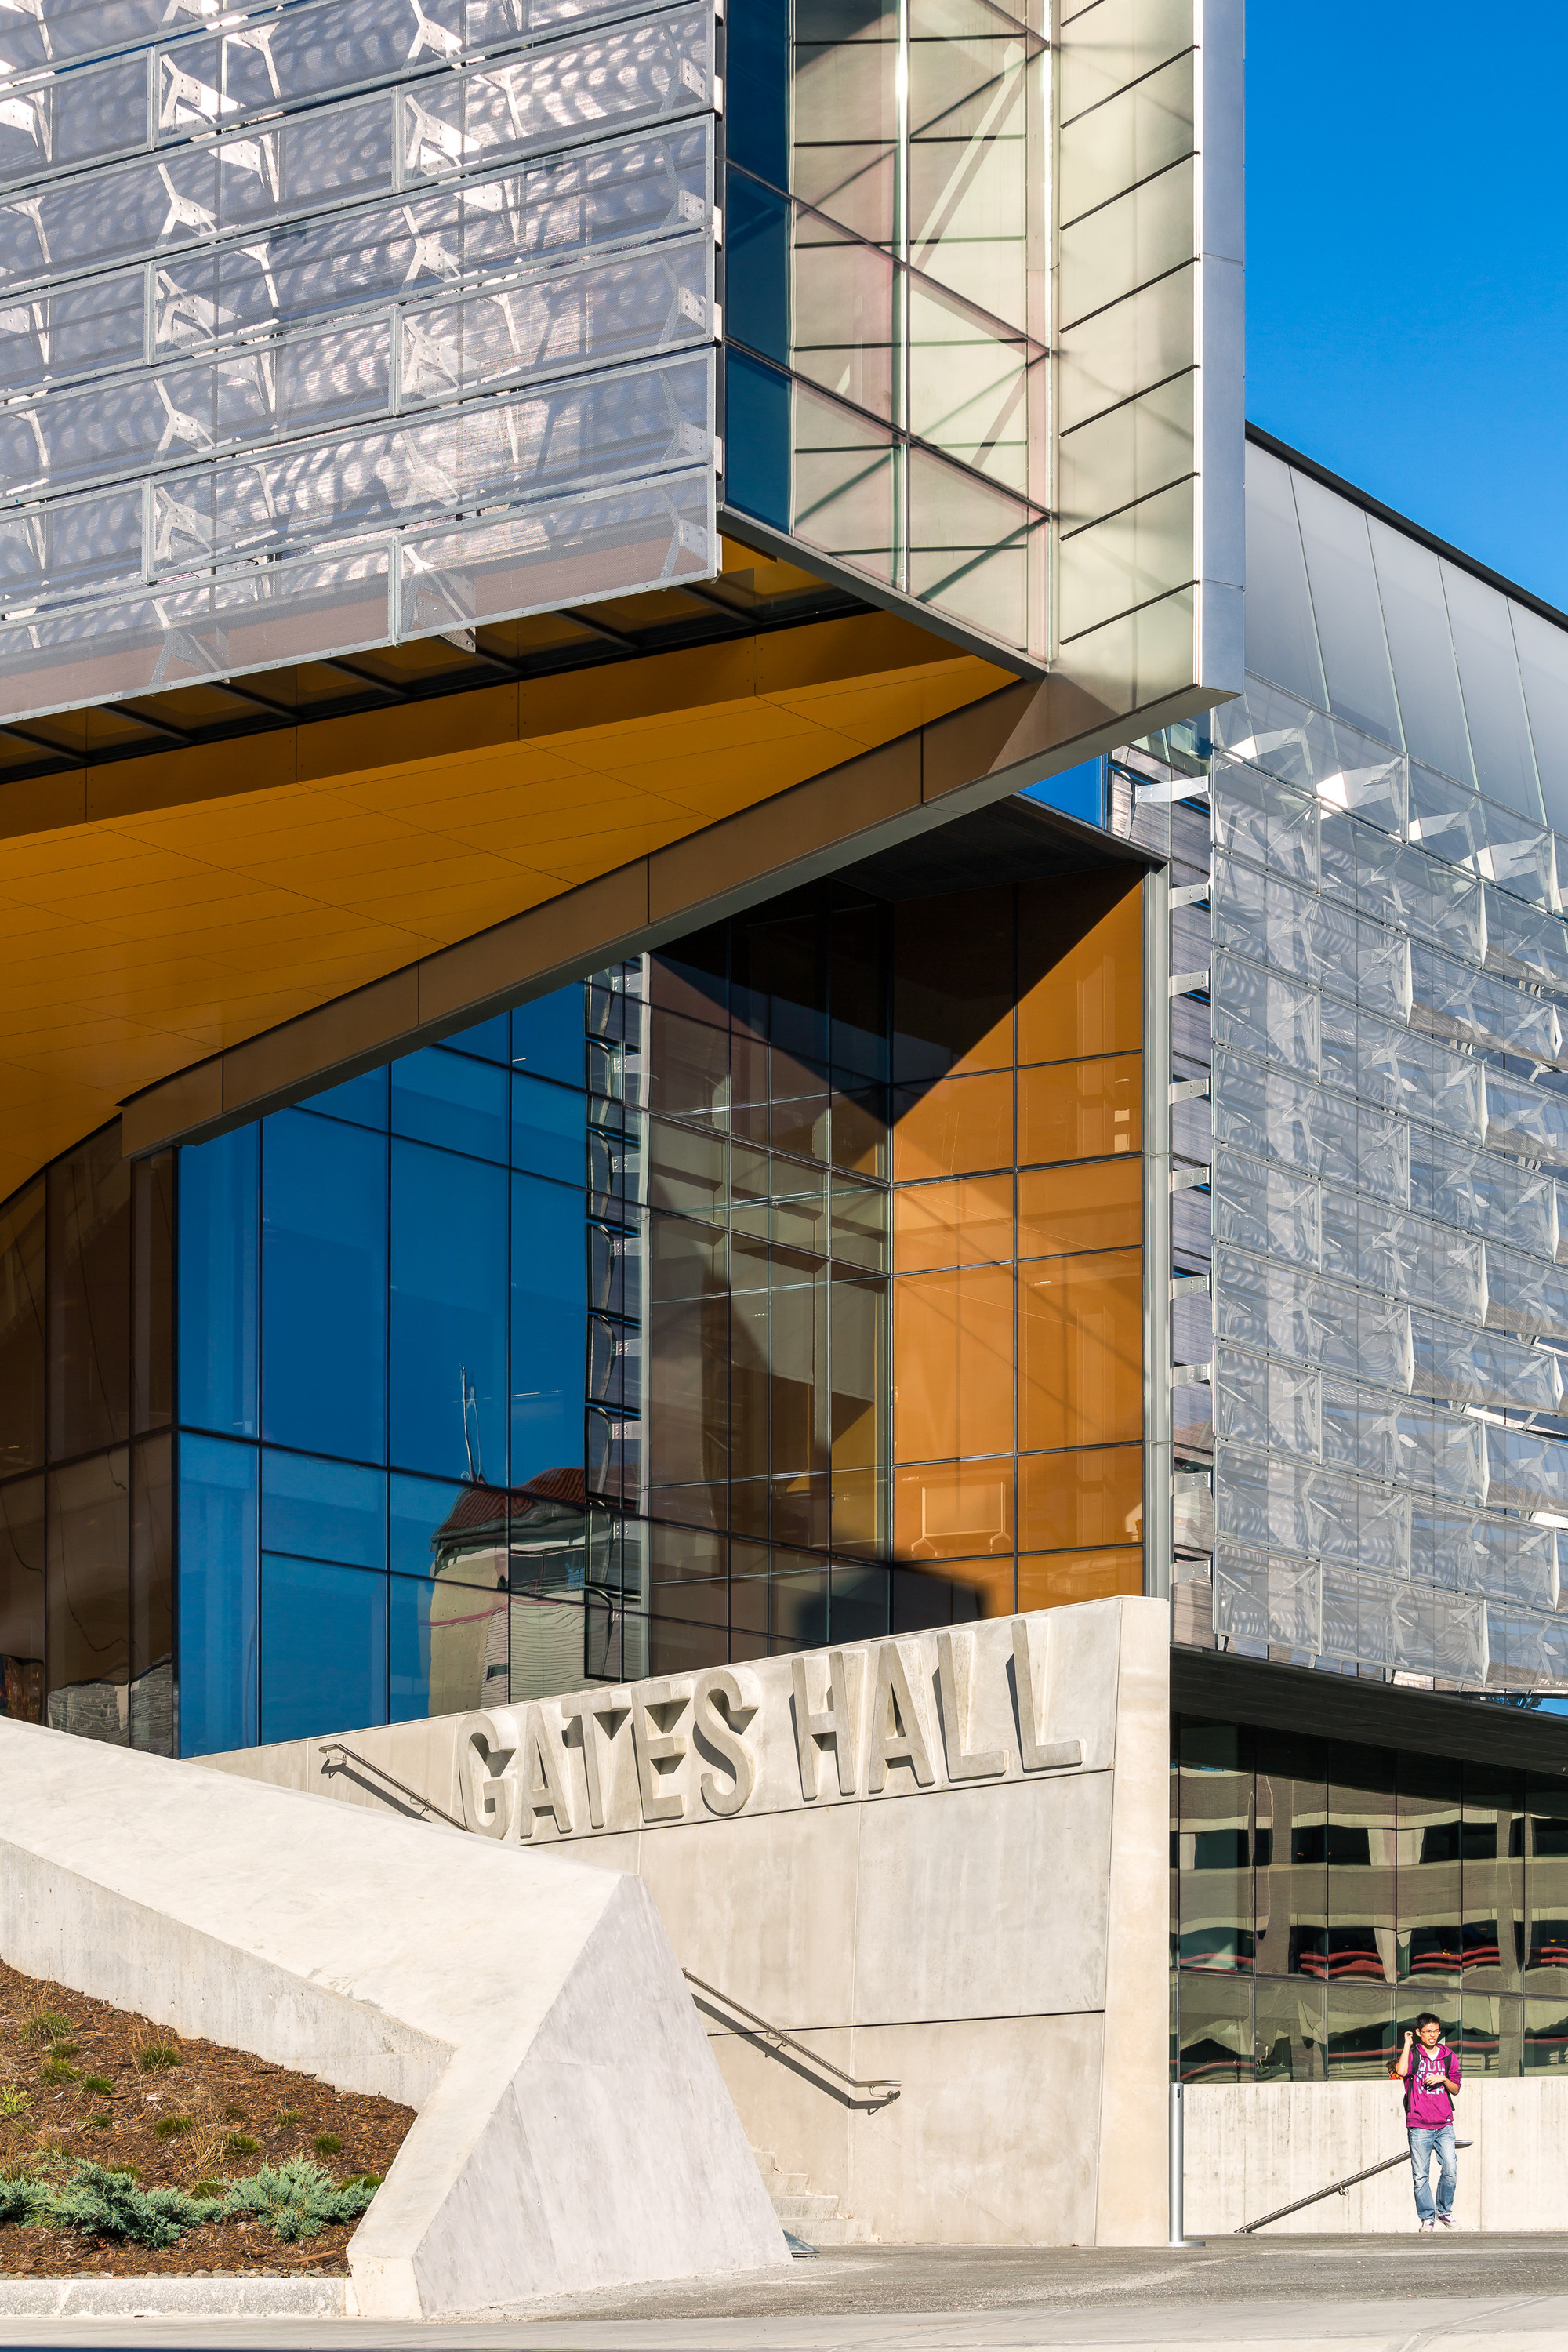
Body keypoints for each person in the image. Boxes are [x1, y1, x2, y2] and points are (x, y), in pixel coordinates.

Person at [1390, 2013, 1461, 2230]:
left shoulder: (1448, 2056)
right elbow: (1401, 2072)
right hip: (1419, 2124)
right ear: (1419, 2032)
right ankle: (1427, 2217)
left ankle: (1444, 2212)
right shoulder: (1413, 2055)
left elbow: (1456, 2089)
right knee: (1420, 2175)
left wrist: (1443, 2078)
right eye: (1428, 2031)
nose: (1433, 2035)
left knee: (1450, 2168)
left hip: (1444, 2123)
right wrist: (1407, 2044)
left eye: (1436, 2031)